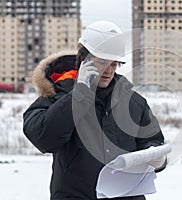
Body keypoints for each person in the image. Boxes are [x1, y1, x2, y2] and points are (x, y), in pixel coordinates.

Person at [23, 21, 166, 200]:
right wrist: (79, 94)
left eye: (114, 64)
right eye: (102, 63)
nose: (108, 71)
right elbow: (44, 138)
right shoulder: (56, 97)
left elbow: (152, 141)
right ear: (83, 60)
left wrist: (156, 158)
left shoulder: (133, 102)